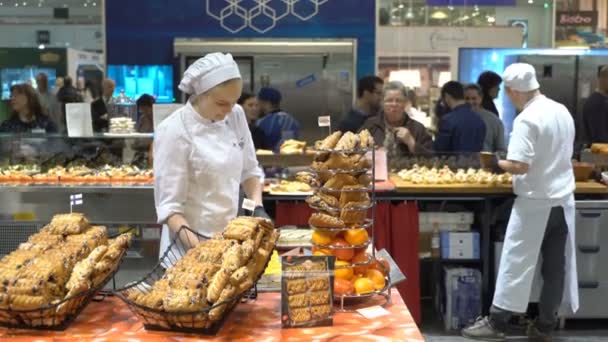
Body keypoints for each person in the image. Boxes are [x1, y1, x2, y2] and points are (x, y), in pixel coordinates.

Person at [462, 63, 578, 341]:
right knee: (554, 269)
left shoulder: (527, 119)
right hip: (562, 200)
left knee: (516, 262)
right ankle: (544, 326)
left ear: (513, 91)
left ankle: (498, 322)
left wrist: (495, 163)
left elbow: (519, 166)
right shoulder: (560, 110)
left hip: (535, 203)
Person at [154, 52, 269, 256]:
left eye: (234, 102)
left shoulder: (235, 115)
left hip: (229, 243)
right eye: (221, 103)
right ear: (201, 94)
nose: (229, 110)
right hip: (186, 252)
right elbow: (171, 210)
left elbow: (249, 169)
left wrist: (257, 206)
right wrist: (203, 251)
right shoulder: (174, 131)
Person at [360, 81, 432, 168]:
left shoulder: (418, 128)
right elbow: (355, 154)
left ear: (405, 103)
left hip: (407, 178)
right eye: (389, 100)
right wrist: (372, 153)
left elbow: (432, 160)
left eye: (399, 100)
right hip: (377, 177)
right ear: (382, 103)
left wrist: (412, 143)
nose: (394, 104)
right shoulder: (370, 125)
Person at [434, 81, 486, 153]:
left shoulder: (447, 120)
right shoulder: (479, 120)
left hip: (453, 163)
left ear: (447, 96)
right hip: (474, 163)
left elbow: (440, 150)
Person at [464, 83, 506, 153]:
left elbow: (501, 149)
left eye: (474, 98)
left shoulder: (494, 120)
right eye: (467, 98)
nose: (470, 102)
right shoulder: (458, 120)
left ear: (481, 98)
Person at [255, 87, 300, 151]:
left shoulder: (262, 122)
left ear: (265, 103)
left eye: (259, 101)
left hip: (269, 159)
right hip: (290, 158)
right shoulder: (292, 121)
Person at [582, 66, 608, 143]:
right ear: (604, 79)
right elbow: (600, 138)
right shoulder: (596, 103)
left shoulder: (603, 101)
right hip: (599, 154)